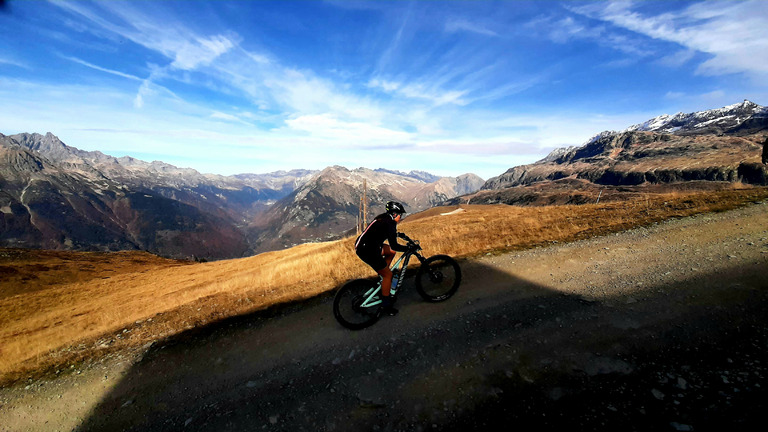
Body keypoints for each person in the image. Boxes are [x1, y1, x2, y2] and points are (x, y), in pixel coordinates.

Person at [354, 201, 409, 316]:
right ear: (394, 214)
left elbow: (386, 235)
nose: (401, 217)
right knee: (388, 275)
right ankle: (386, 305)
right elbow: (394, 245)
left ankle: (383, 278)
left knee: (391, 252)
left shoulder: (383, 218)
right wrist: (407, 249)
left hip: (365, 245)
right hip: (368, 250)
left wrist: (399, 235)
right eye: (400, 215)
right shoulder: (390, 223)